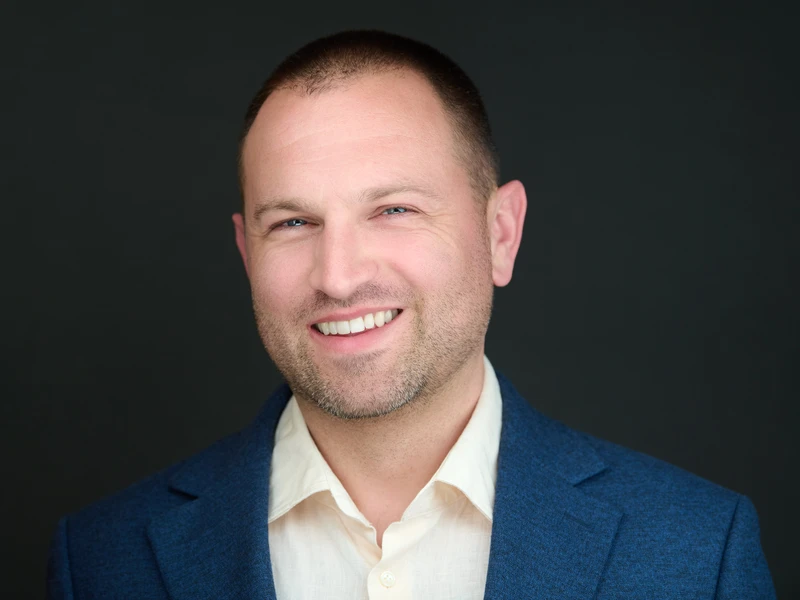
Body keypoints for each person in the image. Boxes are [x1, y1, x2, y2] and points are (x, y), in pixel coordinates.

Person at [46, 30, 775, 599]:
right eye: (293, 224)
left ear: (500, 233)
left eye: (394, 210)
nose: (339, 277)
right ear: (246, 252)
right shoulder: (103, 561)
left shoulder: (696, 551)